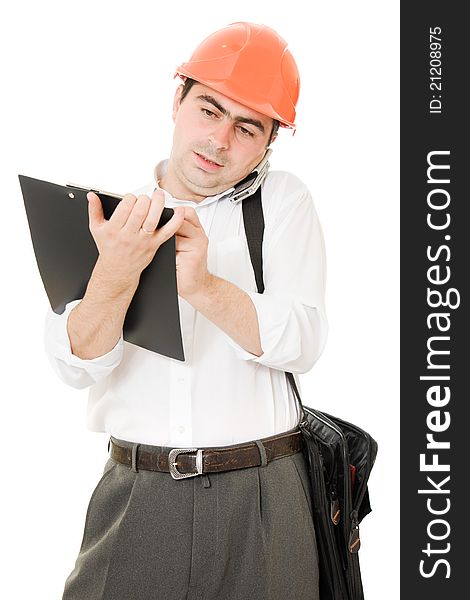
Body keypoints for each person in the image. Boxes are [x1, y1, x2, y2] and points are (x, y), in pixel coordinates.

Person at [45, 21, 328, 600]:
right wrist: (118, 272)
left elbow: (304, 342)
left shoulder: (282, 202)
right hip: (138, 495)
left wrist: (203, 287)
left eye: (246, 127)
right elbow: (76, 365)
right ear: (177, 100)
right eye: (208, 110)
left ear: (268, 143)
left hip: (264, 493)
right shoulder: (108, 212)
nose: (219, 140)